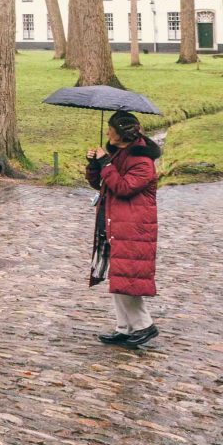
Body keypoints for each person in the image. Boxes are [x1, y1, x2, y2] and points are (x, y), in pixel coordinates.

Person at [86, 110, 162, 348]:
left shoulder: (142, 162)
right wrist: (95, 164)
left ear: (121, 135)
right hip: (116, 222)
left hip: (134, 227)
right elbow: (100, 183)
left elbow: (123, 187)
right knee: (119, 277)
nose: (108, 132)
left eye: (111, 129)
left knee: (127, 277)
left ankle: (144, 326)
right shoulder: (120, 153)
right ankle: (125, 328)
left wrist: (106, 163)